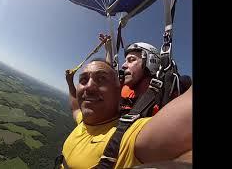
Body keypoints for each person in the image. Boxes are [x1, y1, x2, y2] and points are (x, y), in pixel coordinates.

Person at [60, 59, 192, 168]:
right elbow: (75, 108)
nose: (88, 86)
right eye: (83, 80)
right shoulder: (83, 122)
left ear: (119, 90)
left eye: (101, 79)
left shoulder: (127, 137)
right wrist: (70, 82)